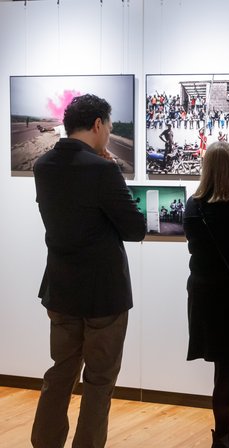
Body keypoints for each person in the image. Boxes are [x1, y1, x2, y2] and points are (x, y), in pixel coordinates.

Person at [31, 94, 147, 448]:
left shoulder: (43, 165)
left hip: (61, 288)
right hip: (103, 294)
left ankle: (45, 442)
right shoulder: (103, 169)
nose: (110, 133)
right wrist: (113, 173)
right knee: (98, 381)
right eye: (110, 127)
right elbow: (134, 229)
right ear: (98, 124)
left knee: (60, 372)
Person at [183, 141, 229, 448]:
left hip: (202, 296)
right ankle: (224, 439)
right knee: (228, 370)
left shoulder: (193, 206)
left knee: (224, 368)